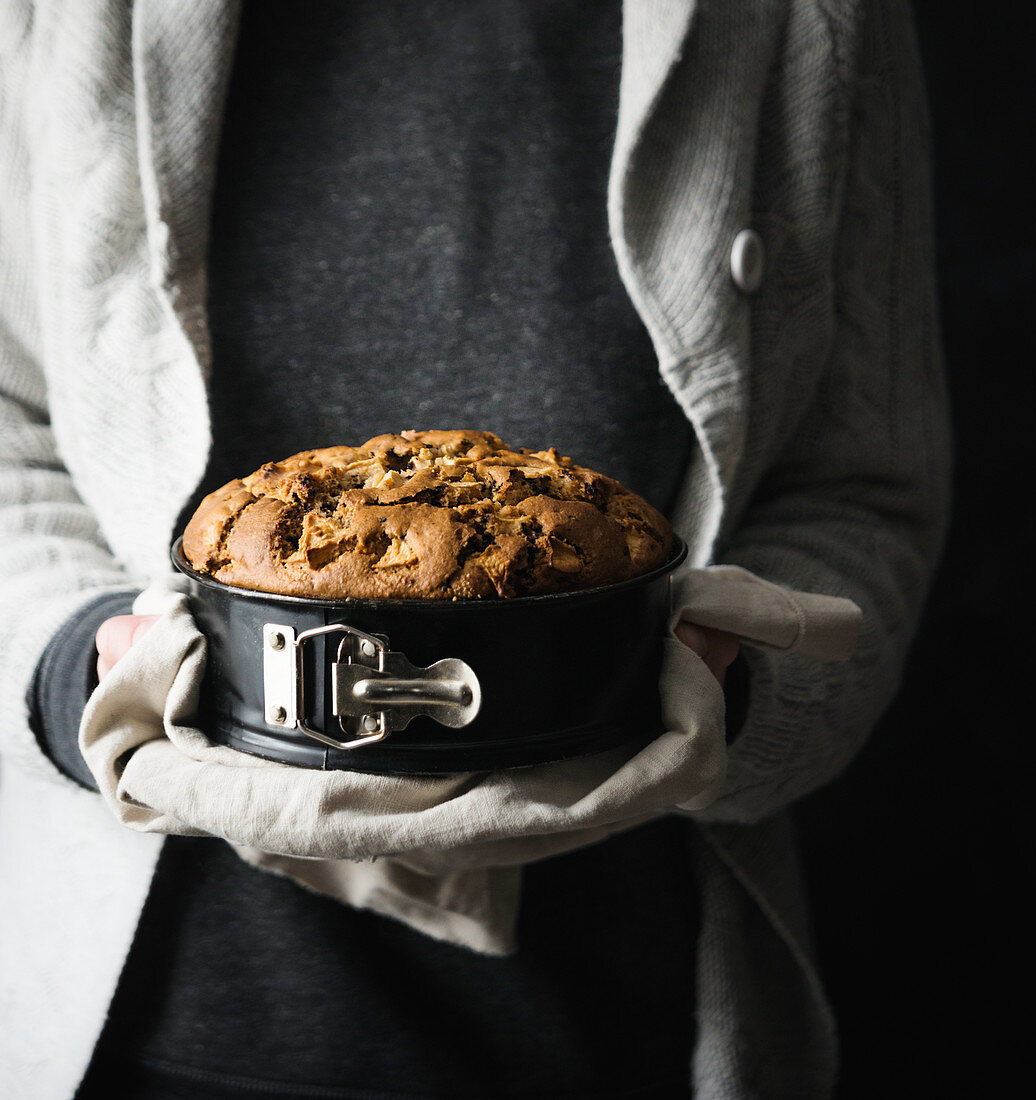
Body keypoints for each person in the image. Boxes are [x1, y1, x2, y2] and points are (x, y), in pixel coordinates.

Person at [0, 1, 950, 1096]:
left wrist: (729, 701)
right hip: (162, 1011)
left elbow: (861, 486)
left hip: (628, 1003)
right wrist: (88, 672)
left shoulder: (808, 19)